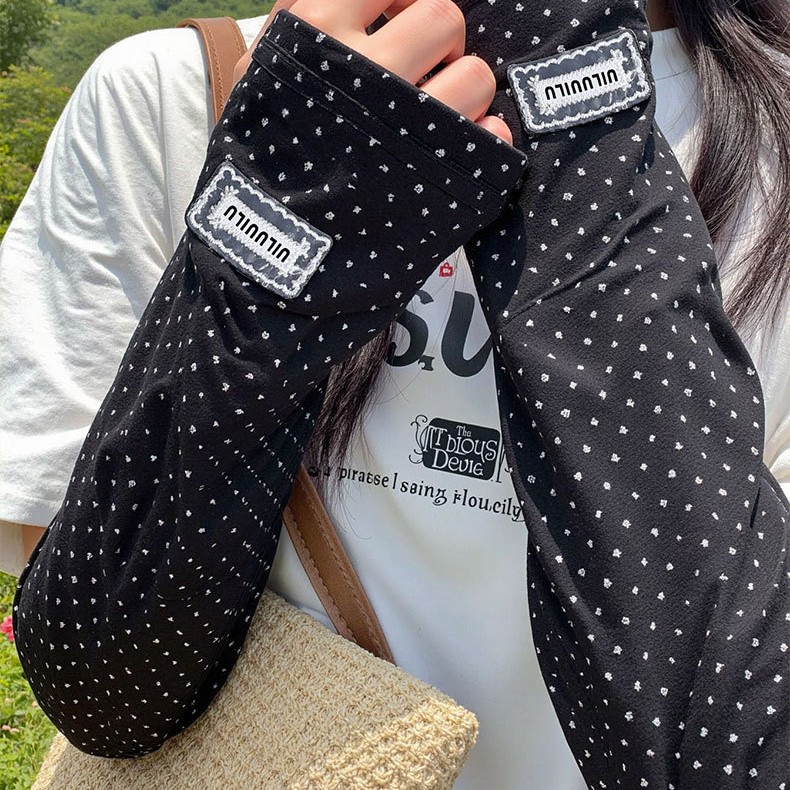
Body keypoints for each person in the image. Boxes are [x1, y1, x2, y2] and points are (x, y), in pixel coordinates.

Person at [2, 0, 788, 787]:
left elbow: (737, 740)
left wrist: (572, 114)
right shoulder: (169, 92)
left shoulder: (770, 134)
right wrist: (271, 232)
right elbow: (99, 687)